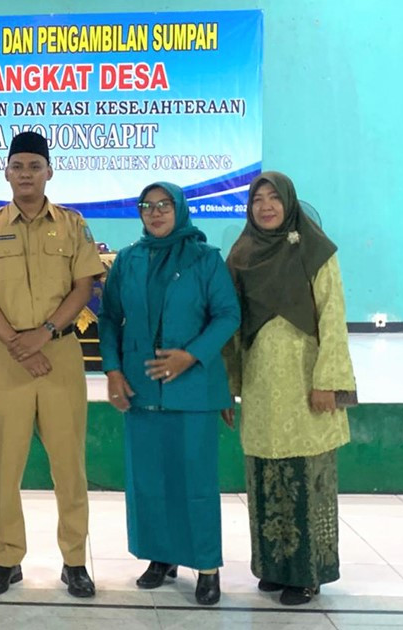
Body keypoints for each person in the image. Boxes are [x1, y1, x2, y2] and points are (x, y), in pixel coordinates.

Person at [0, 132, 105, 598]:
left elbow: (84, 287)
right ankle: (6, 560)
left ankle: (75, 562)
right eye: (17, 166)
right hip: (6, 356)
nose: (26, 174)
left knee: (69, 465)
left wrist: (45, 334)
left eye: (34, 166)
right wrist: (17, 342)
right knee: (4, 465)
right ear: (5, 172)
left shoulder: (73, 225)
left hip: (60, 353)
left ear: (49, 172)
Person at [98, 182, 240, 606]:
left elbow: (227, 314)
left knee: (195, 481)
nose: (156, 212)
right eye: (148, 206)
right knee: (149, 480)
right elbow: (109, 318)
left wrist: (190, 356)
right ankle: (161, 557)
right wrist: (112, 370)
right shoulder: (128, 260)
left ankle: (207, 567)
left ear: (179, 209)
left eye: (164, 205)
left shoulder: (205, 258)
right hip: (140, 388)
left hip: (192, 389)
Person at [224, 171, 356, 606]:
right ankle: (275, 567)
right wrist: (228, 385)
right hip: (262, 382)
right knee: (266, 474)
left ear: (289, 202)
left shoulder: (315, 251)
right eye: (257, 199)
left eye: (274, 198)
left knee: (305, 475)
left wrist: (328, 381)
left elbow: (332, 316)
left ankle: (308, 574)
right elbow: (231, 326)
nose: (266, 206)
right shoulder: (241, 254)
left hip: (304, 380)